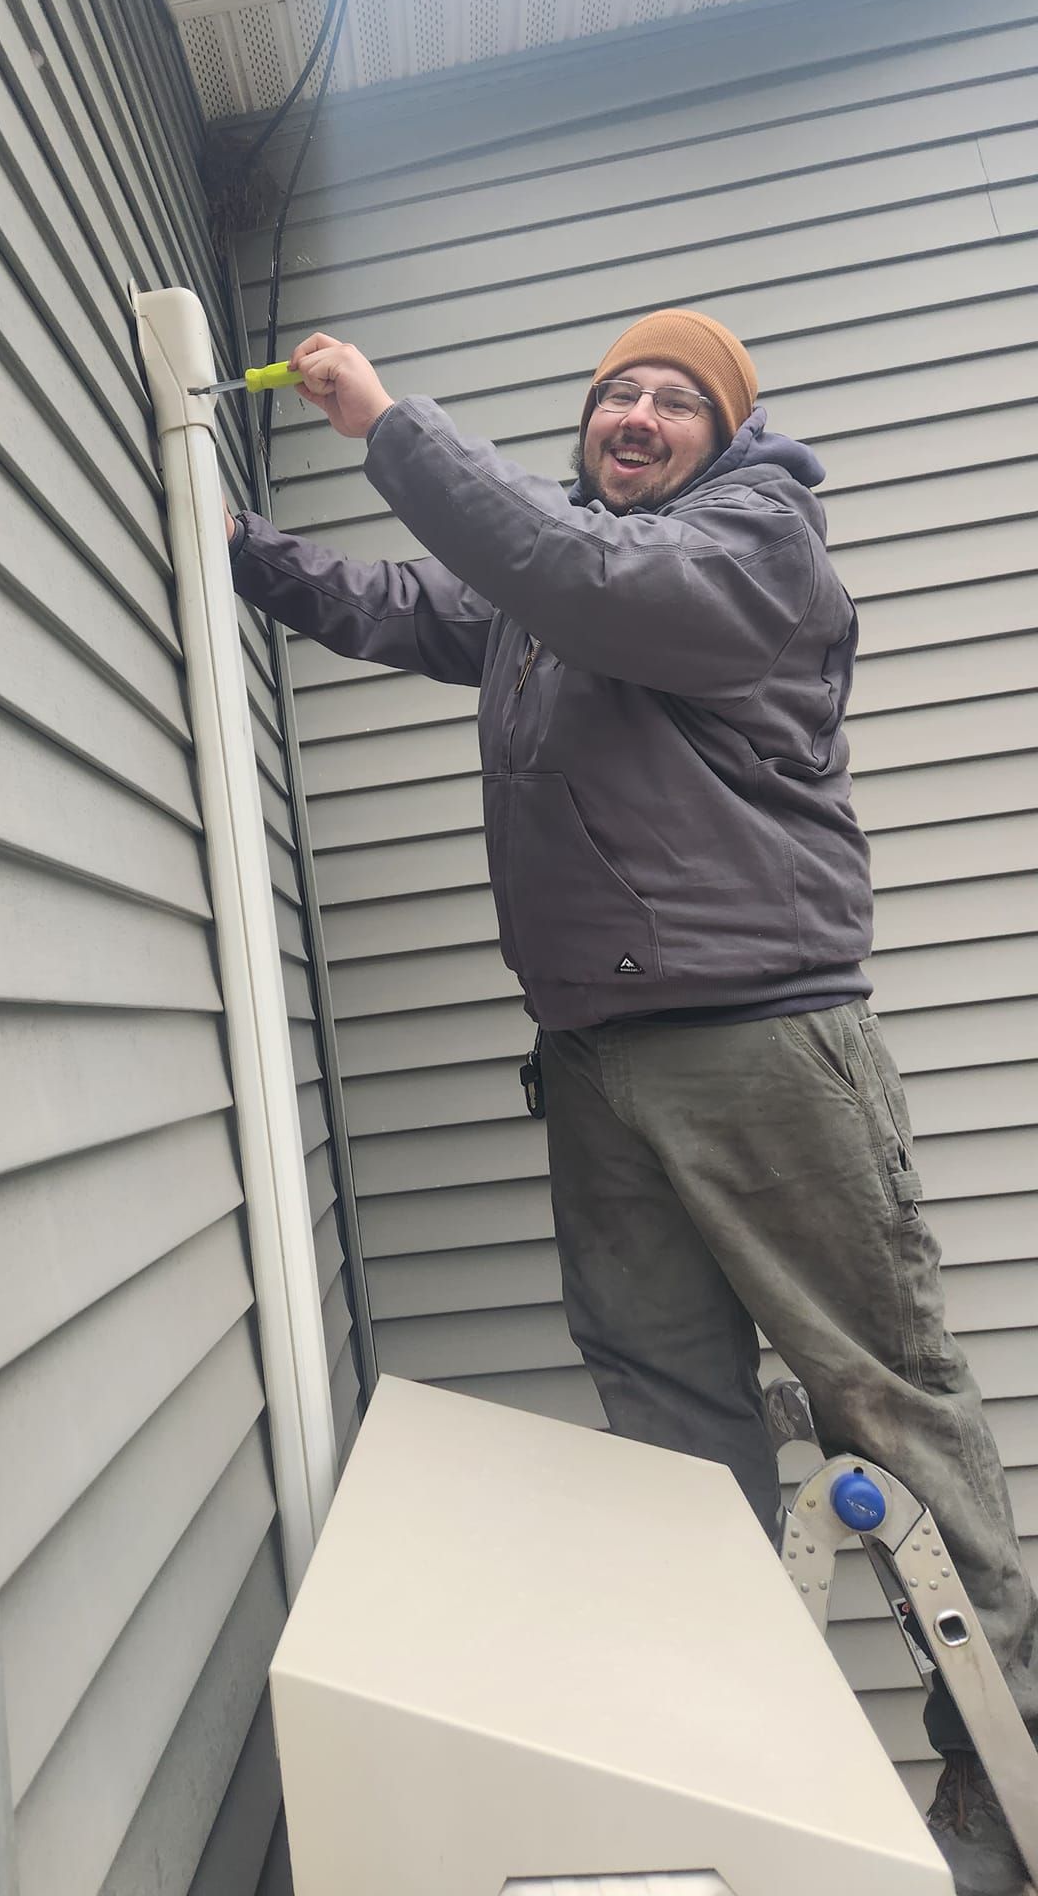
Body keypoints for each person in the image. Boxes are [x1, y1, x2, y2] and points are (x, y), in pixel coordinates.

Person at [226, 310, 1038, 1894]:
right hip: (598, 1063)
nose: (638, 415)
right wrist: (233, 537)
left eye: (677, 401)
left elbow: (583, 581)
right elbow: (410, 601)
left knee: (881, 1391)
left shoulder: (750, 551)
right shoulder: (557, 574)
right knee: (672, 1431)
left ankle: (1001, 1780)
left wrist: (387, 422)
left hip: (760, 1049)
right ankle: (751, 1766)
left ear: (726, 438)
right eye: (616, 395)